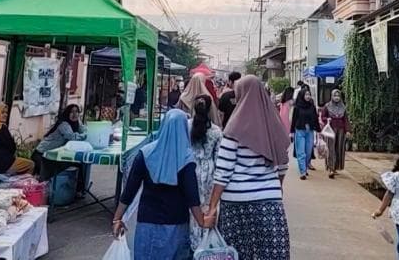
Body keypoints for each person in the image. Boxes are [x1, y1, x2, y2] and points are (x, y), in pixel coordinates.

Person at [205, 76, 291, 260]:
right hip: (269, 201)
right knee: (269, 254)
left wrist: (212, 207)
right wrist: (275, 186)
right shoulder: (274, 126)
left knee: (238, 254)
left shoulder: (233, 128)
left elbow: (223, 173)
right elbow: (283, 165)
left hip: (236, 204)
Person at [113, 110, 206, 259]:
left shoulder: (145, 154)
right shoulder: (186, 158)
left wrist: (117, 219)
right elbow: (192, 197)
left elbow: (129, 190)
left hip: (147, 225)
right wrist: (202, 221)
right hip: (176, 227)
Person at [187, 95, 222, 252]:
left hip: (190, 170)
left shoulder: (186, 126)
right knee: (207, 208)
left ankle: (192, 244)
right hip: (209, 173)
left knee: (191, 208)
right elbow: (218, 158)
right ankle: (206, 245)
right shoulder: (216, 131)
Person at [32, 104, 88, 196]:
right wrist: (84, 135)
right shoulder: (64, 124)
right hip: (42, 155)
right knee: (47, 175)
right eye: (71, 112)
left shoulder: (76, 123)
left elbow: (85, 130)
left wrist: (81, 126)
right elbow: (72, 137)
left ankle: (78, 191)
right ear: (67, 113)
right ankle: (44, 195)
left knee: (78, 163)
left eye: (76, 112)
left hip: (53, 155)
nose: (74, 114)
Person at [320, 89, 351, 179]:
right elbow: (322, 117)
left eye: (338, 96)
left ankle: (336, 167)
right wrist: (327, 119)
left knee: (339, 149)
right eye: (335, 96)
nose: (337, 98)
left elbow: (346, 120)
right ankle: (331, 168)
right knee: (331, 149)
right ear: (331, 96)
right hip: (331, 130)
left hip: (341, 130)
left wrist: (348, 130)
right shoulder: (327, 106)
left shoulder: (343, 107)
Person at [290, 88, 320, 180]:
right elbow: (294, 120)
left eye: (309, 94)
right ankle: (303, 172)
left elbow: (315, 119)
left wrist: (318, 130)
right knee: (301, 152)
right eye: (306, 94)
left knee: (308, 152)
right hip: (300, 130)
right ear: (302, 95)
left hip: (309, 131)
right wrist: (291, 132)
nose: (308, 96)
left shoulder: (312, 106)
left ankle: (305, 167)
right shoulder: (297, 107)